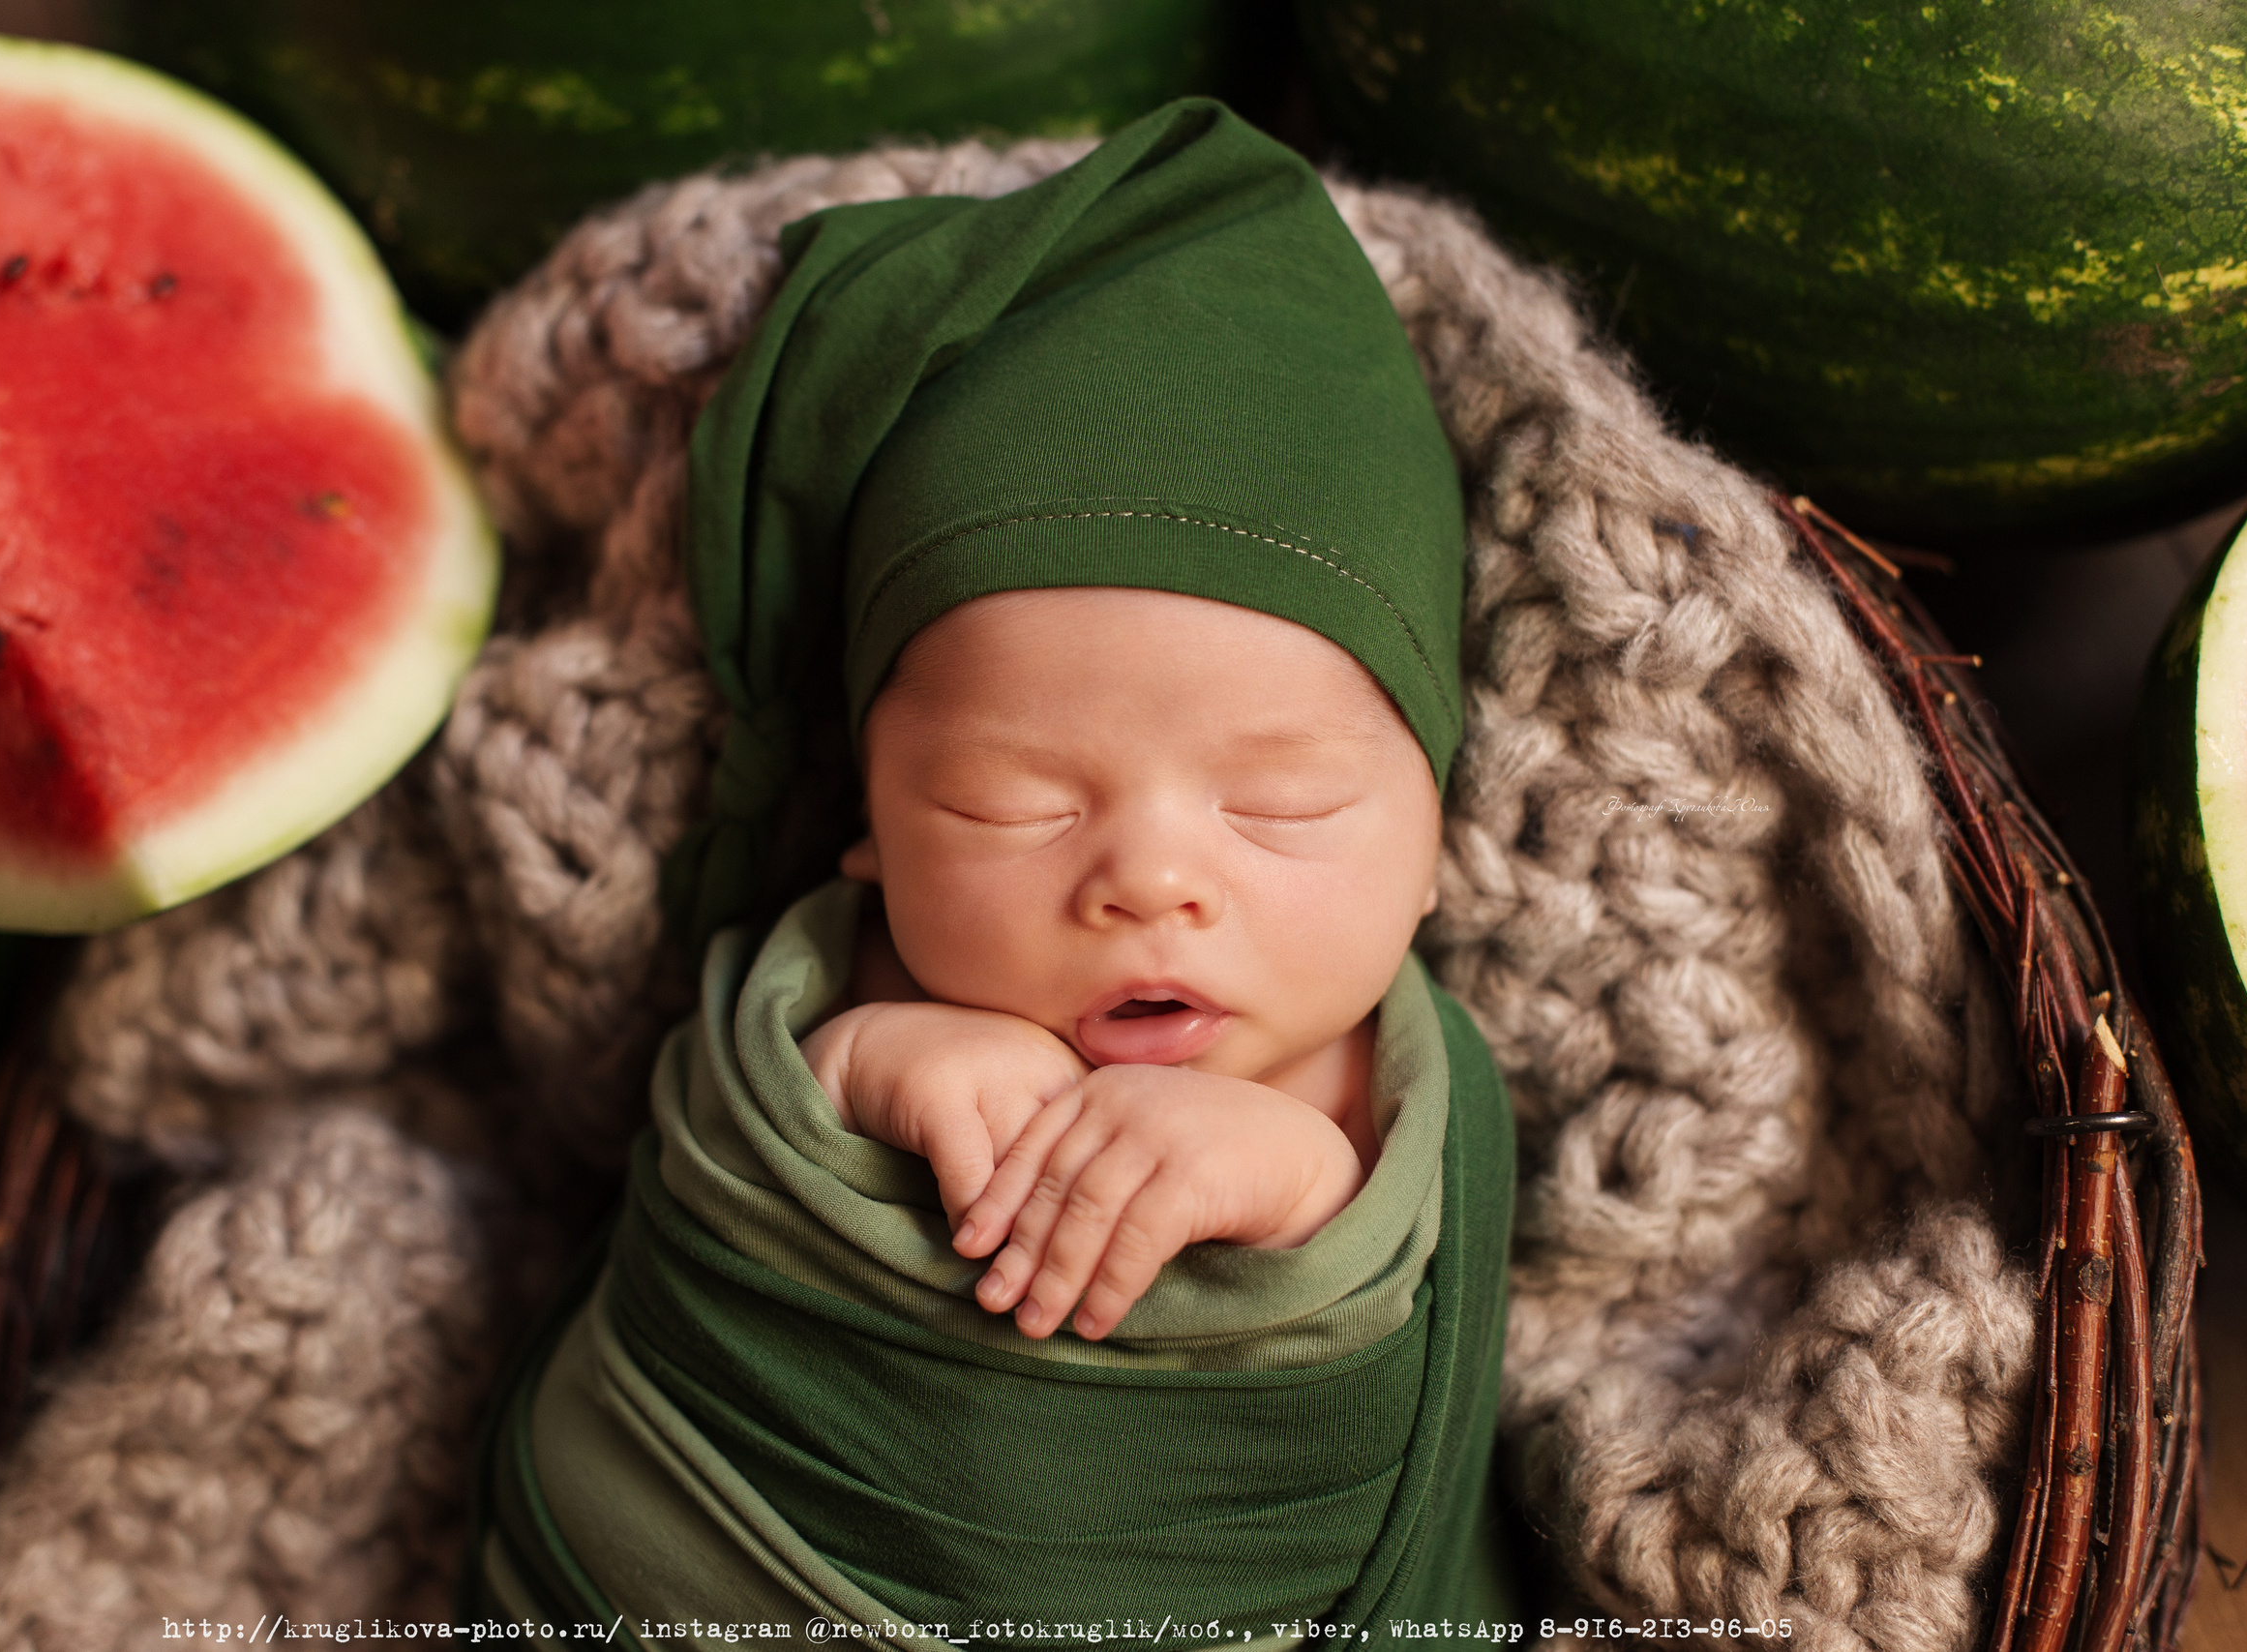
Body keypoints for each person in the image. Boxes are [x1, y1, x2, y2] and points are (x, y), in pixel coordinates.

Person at [464, 98, 1517, 1648]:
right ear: (871, 830)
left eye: (1281, 805)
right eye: (1012, 802)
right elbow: (711, 1191)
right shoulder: (850, 986)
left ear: (1435, 845)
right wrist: (863, 1059)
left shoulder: (1382, 1092)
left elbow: (1405, 1334)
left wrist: (1290, 1180)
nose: (1151, 879)